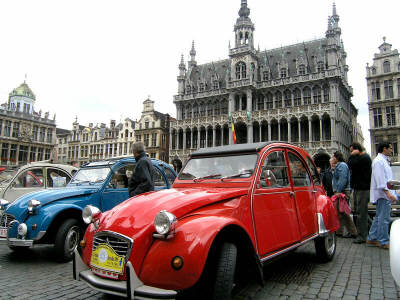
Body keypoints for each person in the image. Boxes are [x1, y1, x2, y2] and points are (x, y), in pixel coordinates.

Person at [367, 141, 397, 249]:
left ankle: (372, 237)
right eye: (390, 148)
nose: (391, 150)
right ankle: (383, 241)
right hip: (383, 194)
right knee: (384, 218)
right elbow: (380, 180)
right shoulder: (379, 161)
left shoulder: (382, 161)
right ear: (384, 149)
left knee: (379, 217)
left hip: (384, 193)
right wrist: (388, 193)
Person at [347, 142, 372, 244]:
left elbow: (351, 164)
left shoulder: (364, 158)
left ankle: (362, 236)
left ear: (357, 150)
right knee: (360, 212)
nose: (351, 153)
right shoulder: (360, 158)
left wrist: (352, 155)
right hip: (358, 188)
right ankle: (372, 229)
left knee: (362, 213)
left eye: (352, 150)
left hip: (363, 189)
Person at [332, 151, 357, 238]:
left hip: (342, 191)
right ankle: (340, 231)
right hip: (341, 191)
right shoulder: (340, 165)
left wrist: (338, 190)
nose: (332, 159)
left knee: (343, 212)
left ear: (337, 157)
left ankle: (352, 231)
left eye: (333, 157)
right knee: (340, 212)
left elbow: (343, 178)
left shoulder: (342, 165)